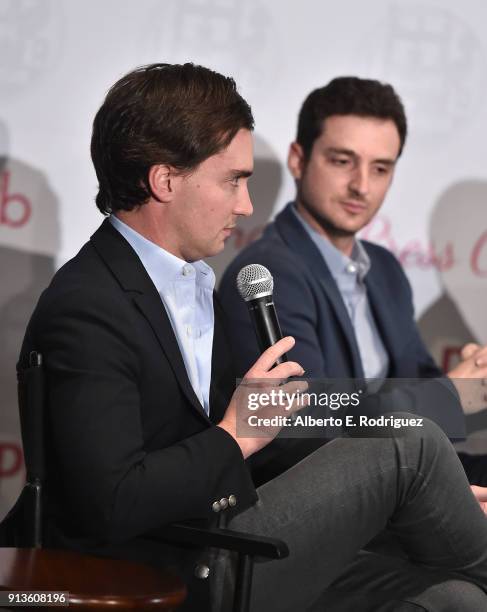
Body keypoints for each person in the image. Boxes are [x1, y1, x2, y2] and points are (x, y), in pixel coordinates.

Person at [17, 64, 487, 612]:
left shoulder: (195, 282)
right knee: (410, 445)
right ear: (165, 180)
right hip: (161, 566)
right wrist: (235, 434)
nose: (245, 206)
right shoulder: (88, 304)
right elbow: (112, 501)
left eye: (382, 167)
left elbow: (269, 439)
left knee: (455, 598)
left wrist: (429, 498)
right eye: (233, 180)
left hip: (227, 533)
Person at [219, 76, 487, 486]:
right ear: (298, 159)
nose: (362, 185)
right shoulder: (271, 273)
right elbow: (308, 421)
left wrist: (478, 384)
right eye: (342, 161)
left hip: (402, 478)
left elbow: (421, 383)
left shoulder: (384, 269)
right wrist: (450, 397)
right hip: (324, 502)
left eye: (380, 168)